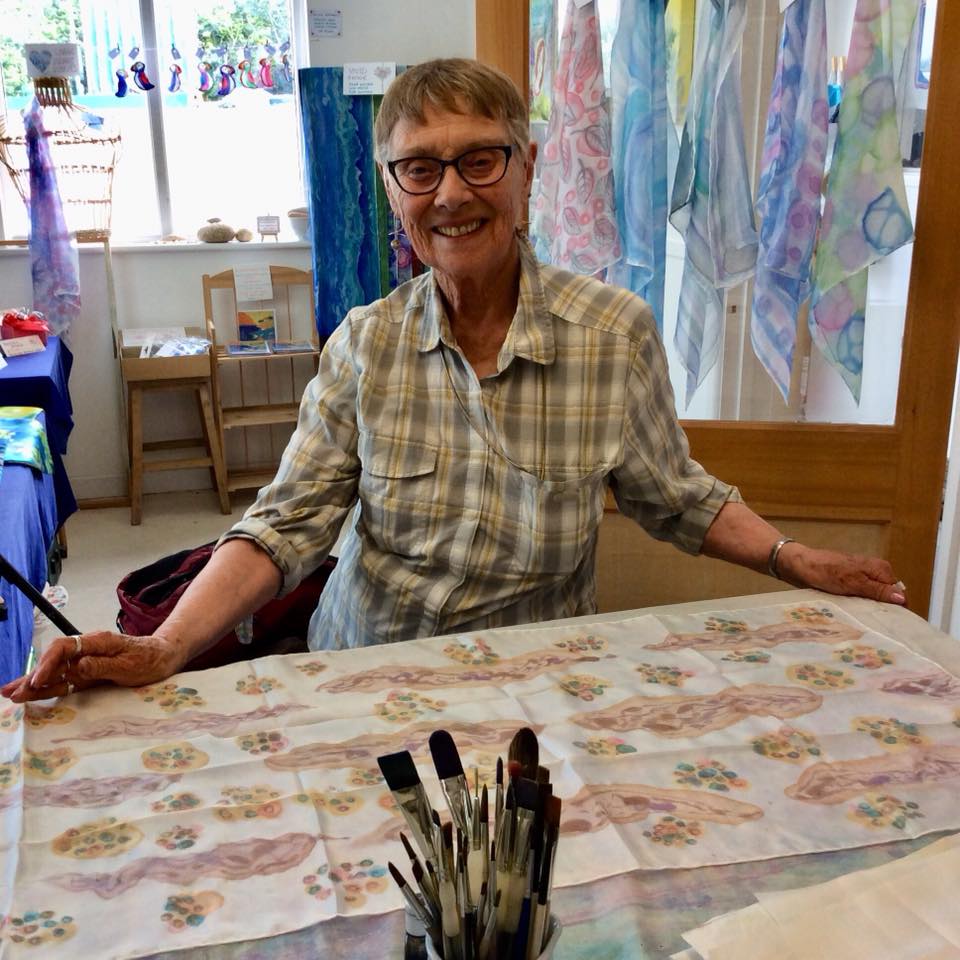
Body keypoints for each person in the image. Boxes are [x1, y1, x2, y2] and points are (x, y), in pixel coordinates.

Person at [1, 58, 905, 705]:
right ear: (393, 189)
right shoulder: (364, 346)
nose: (451, 194)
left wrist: (795, 559)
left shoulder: (612, 335)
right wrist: (164, 648)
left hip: (534, 688)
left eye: (480, 159)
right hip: (365, 675)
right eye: (420, 168)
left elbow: (679, 496)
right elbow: (284, 527)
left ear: (527, 169)